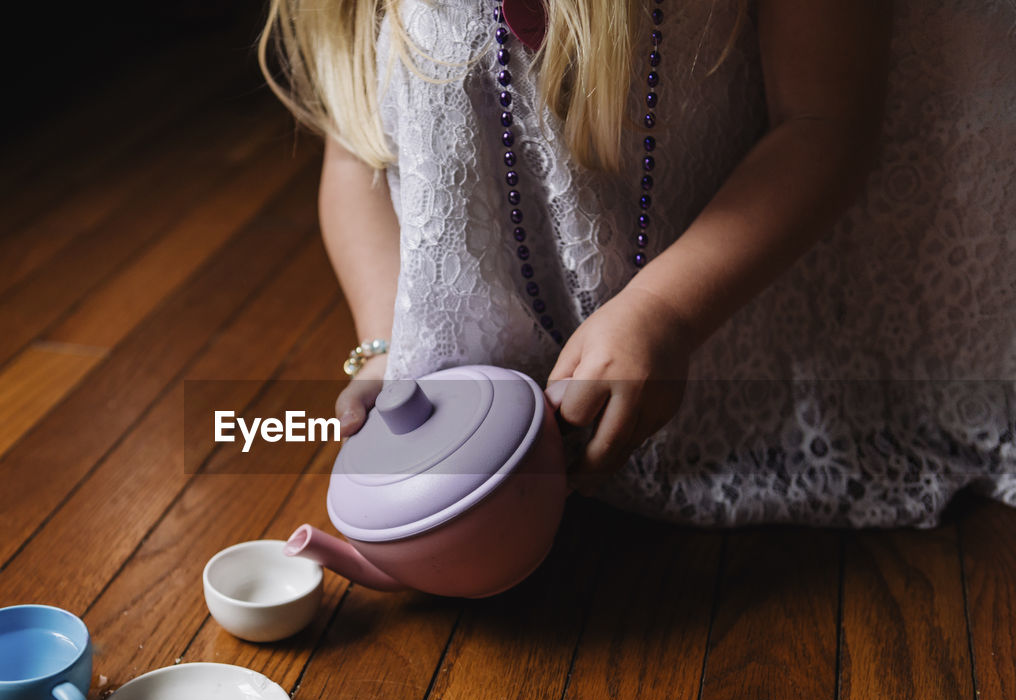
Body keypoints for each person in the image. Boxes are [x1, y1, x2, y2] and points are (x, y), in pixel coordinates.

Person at [258, 0, 1016, 526]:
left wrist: (667, 309)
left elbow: (824, 123)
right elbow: (358, 145)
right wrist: (388, 348)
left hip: (731, 346)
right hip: (486, 402)